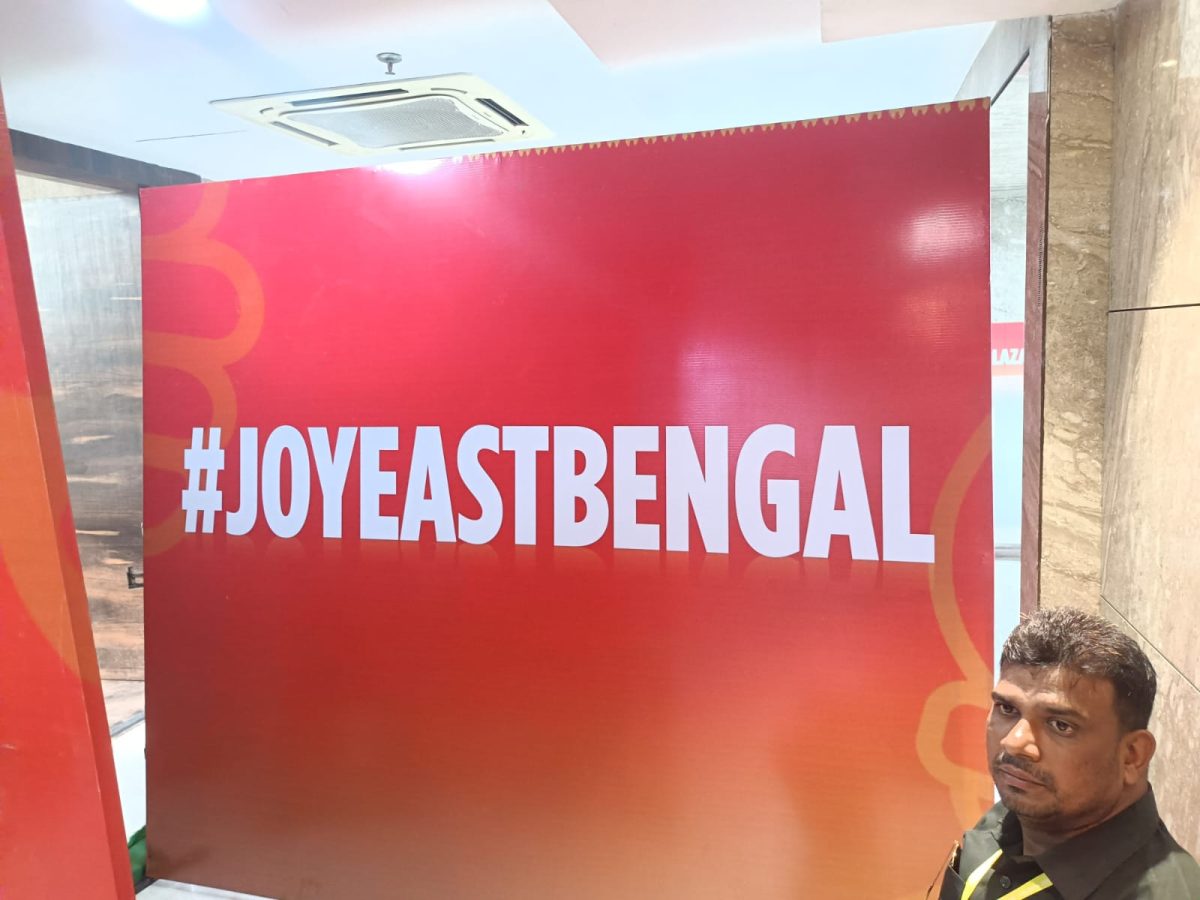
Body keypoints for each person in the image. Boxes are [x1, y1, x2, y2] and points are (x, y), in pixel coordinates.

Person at [937, 606, 1200, 899]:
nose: (1015, 742)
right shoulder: (1022, 811)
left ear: (1132, 755)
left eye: (1060, 725)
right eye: (1007, 708)